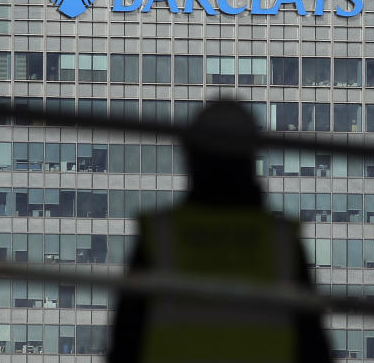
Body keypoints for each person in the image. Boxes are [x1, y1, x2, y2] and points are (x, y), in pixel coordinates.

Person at [109, 101, 331, 363]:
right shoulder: (280, 242)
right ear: (251, 157)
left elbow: (124, 345)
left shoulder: (161, 238)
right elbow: (314, 348)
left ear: (192, 157)